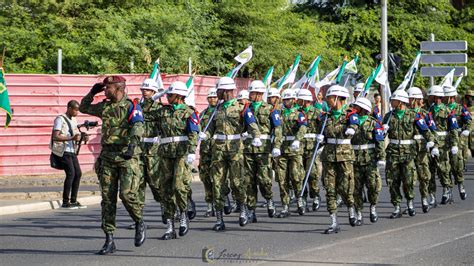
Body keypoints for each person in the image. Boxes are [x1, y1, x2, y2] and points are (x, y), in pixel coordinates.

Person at [79, 76, 146, 255]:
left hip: (126, 156)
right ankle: (109, 239)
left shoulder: (132, 105)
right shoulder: (105, 106)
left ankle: (139, 221)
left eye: (107, 87)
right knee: (107, 200)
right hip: (108, 157)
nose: (105, 90)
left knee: (126, 194)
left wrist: (132, 145)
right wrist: (92, 93)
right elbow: (83, 108)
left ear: (119, 88)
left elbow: (138, 126)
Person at [207, 77, 261, 231]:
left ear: (226, 91)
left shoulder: (241, 107)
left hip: (235, 149)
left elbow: (252, 124)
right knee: (217, 183)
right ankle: (219, 219)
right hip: (218, 150)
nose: (216, 93)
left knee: (237, 182)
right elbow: (210, 127)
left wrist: (256, 136)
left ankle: (242, 208)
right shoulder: (217, 109)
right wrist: (204, 135)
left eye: (218, 90)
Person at [153, 81, 199, 240]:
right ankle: (170, 225)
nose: (167, 97)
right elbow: (145, 115)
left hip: (181, 152)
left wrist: (192, 151)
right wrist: (153, 99)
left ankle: (184, 214)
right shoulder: (162, 111)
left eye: (170, 95)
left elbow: (193, 133)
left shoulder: (189, 112)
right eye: (167, 94)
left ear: (179, 96)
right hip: (165, 153)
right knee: (165, 189)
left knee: (179, 186)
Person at [383, 90, 435, 219]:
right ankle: (396, 207)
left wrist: (432, 142)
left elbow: (425, 130)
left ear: (401, 101)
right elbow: (380, 135)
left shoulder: (414, 116)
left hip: (409, 152)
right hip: (393, 152)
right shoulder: (388, 116)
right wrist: (382, 131)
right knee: (392, 181)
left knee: (409, 180)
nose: (391, 102)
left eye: (394, 100)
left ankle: (410, 203)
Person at [317, 85, 358, 233]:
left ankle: (351, 207)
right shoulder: (325, 116)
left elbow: (354, 124)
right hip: (328, 156)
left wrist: (351, 128)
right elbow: (320, 133)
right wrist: (320, 139)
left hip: (344, 155)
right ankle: (333, 221)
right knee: (329, 188)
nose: (327, 101)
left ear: (337, 98)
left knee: (346, 187)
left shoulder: (349, 115)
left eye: (329, 98)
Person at [126, 79, 163, 230]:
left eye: (147, 90)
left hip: (153, 150)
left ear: (154, 92)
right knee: (138, 185)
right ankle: (138, 219)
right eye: (143, 90)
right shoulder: (136, 107)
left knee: (156, 184)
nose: (144, 92)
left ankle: (166, 212)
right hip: (139, 149)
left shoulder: (160, 109)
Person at [242, 80, 281, 222]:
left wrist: (276, 145)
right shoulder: (245, 109)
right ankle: (251, 210)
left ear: (259, 94)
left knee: (264, 179)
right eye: (250, 92)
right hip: (248, 148)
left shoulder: (270, 109)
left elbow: (277, 128)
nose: (250, 95)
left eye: (252, 92)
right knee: (249, 180)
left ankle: (269, 198)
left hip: (264, 149)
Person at [351, 97, 385, 224]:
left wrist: (381, 157)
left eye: (357, 107)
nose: (354, 108)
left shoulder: (374, 123)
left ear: (363, 109)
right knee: (356, 189)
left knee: (373, 186)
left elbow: (379, 141)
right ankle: (358, 213)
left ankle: (373, 207)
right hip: (354, 159)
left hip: (370, 160)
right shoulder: (350, 122)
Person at [274, 89, 307, 218]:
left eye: (289, 100)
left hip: (295, 149)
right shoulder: (278, 113)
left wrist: (298, 139)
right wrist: (275, 145)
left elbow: (303, 127)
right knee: (282, 179)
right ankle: (285, 206)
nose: (286, 102)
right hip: (282, 149)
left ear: (294, 100)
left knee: (296, 176)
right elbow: (276, 129)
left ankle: (299, 200)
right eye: (285, 100)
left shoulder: (299, 114)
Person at [50, 100, 85, 209]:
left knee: (78, 173)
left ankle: (73, 200)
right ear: (69, 108)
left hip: (72, 150)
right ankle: (65, 201)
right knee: (71, 174)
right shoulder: (60, 119)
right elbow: (55, 136)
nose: (77, 112)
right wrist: (71, 138)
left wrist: (83, 136)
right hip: (63, 151)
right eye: (75, 110)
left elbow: (76, 133)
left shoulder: (74, 120)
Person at [427, 86, 459, 205]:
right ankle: (432, 196)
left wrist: (454, 144)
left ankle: (447, 190)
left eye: (431, 96)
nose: (429, 98)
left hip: (443, 144)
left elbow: (453, 128)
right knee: (430, 170)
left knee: (444, 169)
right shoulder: (428, 111)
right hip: (430, 144)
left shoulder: (447, 111)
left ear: (436, 97)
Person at [407, 87, 436, 213]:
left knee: (424, 176)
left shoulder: (425, 114)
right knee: (409, 177)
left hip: (422, 149)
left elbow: (432, 131)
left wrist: (433, 145)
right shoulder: (406, 114)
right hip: (408, 149)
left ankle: (425, 198)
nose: (410, 101)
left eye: (412, 99)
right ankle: (410, 201)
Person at [297, 88, 322, 212]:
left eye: (301, 100)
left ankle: (316, 195)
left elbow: (323, 127)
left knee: (312, 174)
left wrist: (321, 141)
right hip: (300, 147)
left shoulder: (317, 112)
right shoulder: (297, 112)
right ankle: (303, 198)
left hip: (313, 147)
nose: (299, 102)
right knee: (300, 175)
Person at [444, 85, 470, 200]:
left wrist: (467, 130)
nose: (446, 98)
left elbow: (468, 120)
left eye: (448, 96)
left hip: (458, 140)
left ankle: (460, 184)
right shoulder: (441, 108)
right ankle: (447, 189)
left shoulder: (460, 108)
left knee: (457, 164)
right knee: (445, 165)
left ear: (453, 97)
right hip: (444, 140)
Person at [198, 88, 220, 217]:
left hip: (218, 149)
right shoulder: (203, 114)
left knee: (218, 178)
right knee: (205, 178)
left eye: (215, 97)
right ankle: (209, 205)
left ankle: (220, 202)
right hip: (205, 150)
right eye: (210, 98)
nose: (212, 99)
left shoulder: (221, 112)